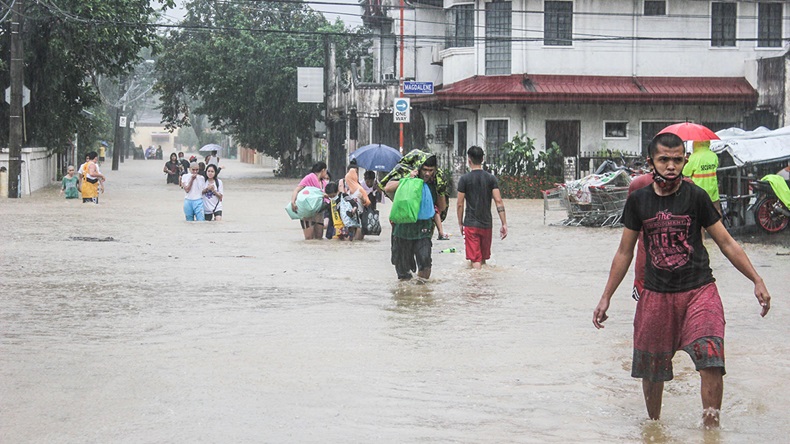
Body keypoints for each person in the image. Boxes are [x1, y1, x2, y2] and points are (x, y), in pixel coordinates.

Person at [592, 132, 771, 429]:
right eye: (664, 160)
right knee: (652, 369)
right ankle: (654, 428)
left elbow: (726, 242)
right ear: (652, 162)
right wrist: (605, 296)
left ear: (685, 161)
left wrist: (757, 279)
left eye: (677, 160)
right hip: (656, 294)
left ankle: (711, 429)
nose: (671, 166)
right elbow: (625, 252)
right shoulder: (639, 201)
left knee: (711, 355)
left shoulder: (696, 196)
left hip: (699, 290)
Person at [383, 154, 438, 280]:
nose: (428, 174)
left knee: (425, 264)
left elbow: (440, 207)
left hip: (423, 230)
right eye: (425, 170)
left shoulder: (435, 184)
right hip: (402, 230)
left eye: (431, 170)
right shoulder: (407, 177)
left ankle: (421, 294)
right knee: (403, 274)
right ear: (419, 169)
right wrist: (407, 179)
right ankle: (406, 297)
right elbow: (387, 187)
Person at [456, 146, 508, 269]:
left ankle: (476, 287)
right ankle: (484, 286)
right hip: (486, 224)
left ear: (469, 160)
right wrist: (504, 223)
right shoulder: (491, 178)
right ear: (483, 159)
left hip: (471, 224)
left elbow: (459, 203)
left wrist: (460, 223)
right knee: (483, 259)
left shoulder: (464, 179)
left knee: (475, 260)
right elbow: (498, 201)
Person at [291, 161, 329, 240]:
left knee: (319, 238)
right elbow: (297, 190)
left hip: (319, 212)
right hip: (307, 212)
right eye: (326, 171)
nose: (326, 173)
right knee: (309, 239)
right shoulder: (309, 178)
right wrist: (293, 202)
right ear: (323, 170)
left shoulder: (324, 183)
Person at [682, 140, 721, 214]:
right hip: (713, 190)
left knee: (702, 214)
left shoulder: (694, 157)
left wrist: (686, 161)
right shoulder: (713, 155)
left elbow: (685, 172)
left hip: (699, 191)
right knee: (717, 211)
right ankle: (720, 225)